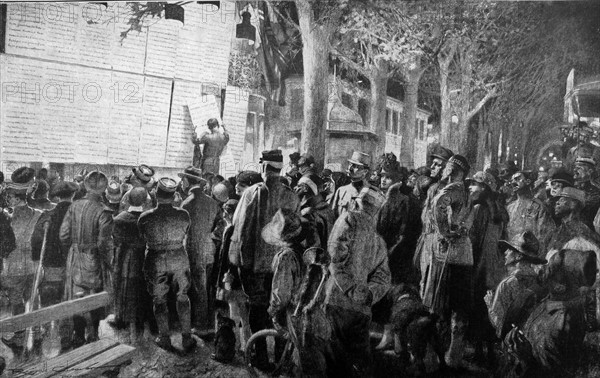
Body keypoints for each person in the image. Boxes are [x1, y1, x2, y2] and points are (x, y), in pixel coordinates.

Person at [229, 149, 300, 369]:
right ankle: (280, 357)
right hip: (281, 264)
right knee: (280, 310)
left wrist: (236, 262)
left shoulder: (252, 193)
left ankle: (259, 356)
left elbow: (238, 227)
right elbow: (295, 231)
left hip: (254, 265)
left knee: (257, 310)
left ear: (263, 167)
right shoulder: (291, 195)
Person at [326, 186, 390, 377]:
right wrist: (369, 294)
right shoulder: (379, 241)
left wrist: (350, 288)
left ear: (356, 202)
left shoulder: (346, 219)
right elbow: (383, 277)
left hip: (336, 301)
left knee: (334, 360)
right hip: (361, 309)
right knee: (360, 360)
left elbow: (334, 259)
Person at [421, 154, 472, 368]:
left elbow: (438, 204)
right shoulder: (465, 190)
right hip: (462, 255)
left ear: (451, 169)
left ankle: (433, 355)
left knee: (438, 305)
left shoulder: (453, 189)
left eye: (446, 167)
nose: (443, 170)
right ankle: (453, 355)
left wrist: (444, 230)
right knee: (457, 307)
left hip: (448, 254)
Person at [138, 178, 196, 353]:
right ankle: (186, 337)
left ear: (156, 194)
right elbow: (186, 232)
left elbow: (142, 238)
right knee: (183, 297)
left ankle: (164, 338)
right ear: (174, 195)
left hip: (155, 259)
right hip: (178, 257)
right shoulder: (183, 215)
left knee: (159, 300)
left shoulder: (145, 217)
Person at [60, 171, 113, 346]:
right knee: (94, 297)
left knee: (76, 296)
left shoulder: (74, 205)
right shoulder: (103, 211)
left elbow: (63, 235)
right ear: (104, 189)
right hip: (93, 259)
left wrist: (73, 247)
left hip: (74, 257)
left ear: (86, 185)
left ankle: (78, 335)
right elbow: (104, 244)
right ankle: (92, 335)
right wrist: (111, 264)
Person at [466, 171, 508, 364]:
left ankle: (478, 351)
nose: (470, 187)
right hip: (496, 268)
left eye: (474, 184)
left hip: (480, 266)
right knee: (491, 307)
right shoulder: (499, 209)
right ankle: (490, 350)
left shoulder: (478, 210)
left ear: (484, 188)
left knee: (476, 306)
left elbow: (472, 241)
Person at [179, 166, 220, 336]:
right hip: (209, 246)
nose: (182, 182)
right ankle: (210, 322)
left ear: (188, 181)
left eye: (183, 179)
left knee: (198, 287)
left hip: (195, 248)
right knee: (208, 286)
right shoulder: (212, 201)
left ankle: (201, 325)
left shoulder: (187, 203)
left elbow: (182, 229)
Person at [111, 187, 152, 343]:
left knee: (129, 291)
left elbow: (115, 240)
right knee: (144, 291)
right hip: (146, 258)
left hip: (127, 260)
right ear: (145, 201)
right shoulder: (148, 217)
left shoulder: (120, 218)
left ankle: (131, 329)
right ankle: (146, 327)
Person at [413, 145, 453, 297]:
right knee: (425, 282)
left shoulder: (449, 191)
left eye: (437, 165)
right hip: (427, 240)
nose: (432, 167)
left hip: (439, 243)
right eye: (433, 163)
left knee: (435, 286)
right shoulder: (433, 188)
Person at [2, 167, 41, 320]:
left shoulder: (7, 218)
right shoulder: (38, 214)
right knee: (32, 300)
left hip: (13, 268)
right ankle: (35, 334)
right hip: (32, 266)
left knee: (16, 303)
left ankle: (19, 336)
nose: (8, 199)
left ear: (17, 198)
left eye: (10, 196)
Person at [506, 171, 555, 257]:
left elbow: (544, 236)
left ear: (528, 182)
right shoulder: (510, 207)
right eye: (512, 180)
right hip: (510, 255)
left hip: (530, 256)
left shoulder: (538, 207)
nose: (513, 183)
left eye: (517, 179)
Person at [331, 151, 375, 219]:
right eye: (350, 164)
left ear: (365, 171)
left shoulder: (371, 192)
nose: (350, 168)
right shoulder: (341, 190)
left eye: (355, 166)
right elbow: (333, 217)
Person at [296, 174, 335, 250]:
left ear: (306, 188)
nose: (295, 188)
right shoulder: (327, 209)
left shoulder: (309, 214)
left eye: (299, 185)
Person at [573, 156, 600, 230]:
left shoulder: (595, 191)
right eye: (575, 167)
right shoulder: (571, 187)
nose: (575, 170)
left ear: (590, 171)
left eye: (579, 168)